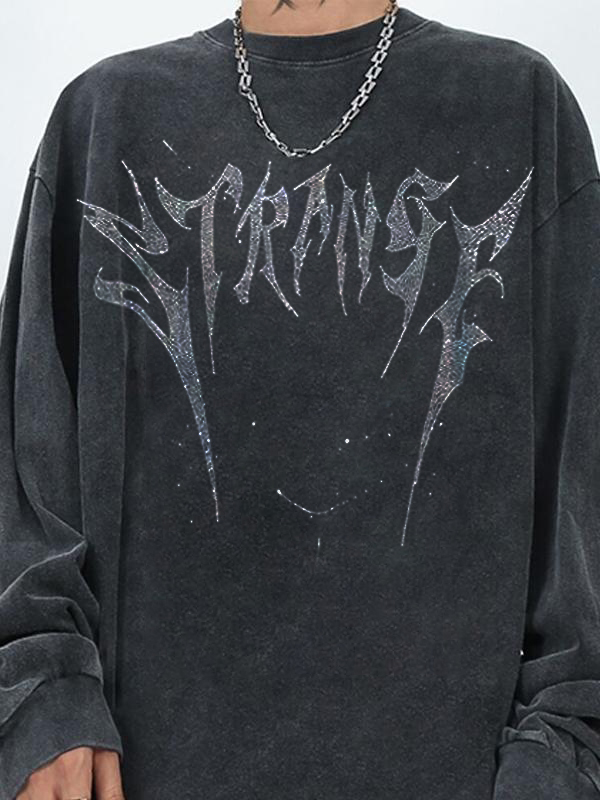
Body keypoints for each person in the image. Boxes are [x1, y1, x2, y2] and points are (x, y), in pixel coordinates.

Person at [1, 0, 600, 797]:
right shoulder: (105, 117)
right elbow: (23, 476)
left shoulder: (517, 105)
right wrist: (46, 703)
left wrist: (559, 762)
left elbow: (584, 490)